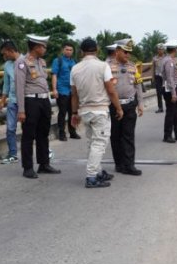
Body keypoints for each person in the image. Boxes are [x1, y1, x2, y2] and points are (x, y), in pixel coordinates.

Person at [69, 38, 122, 188]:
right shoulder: (103, 66)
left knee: (92, 142)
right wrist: (119, 108)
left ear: (81, 51)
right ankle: (91, 176)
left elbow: (74, 94)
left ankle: (98, 171)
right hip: (100, 110)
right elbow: (111, 90)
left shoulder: (75, 68)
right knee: (99, 143)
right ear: (97, 50)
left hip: (84, 110)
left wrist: (74, 113)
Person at [16, 35, 61, 179]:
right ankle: (28, 167)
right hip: (31, 101)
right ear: (36, 47)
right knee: (28, 135)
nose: (45, 49)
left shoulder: (41, 61)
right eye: (43, 46)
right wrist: (21, 110)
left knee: (43, 134)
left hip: (44, 100)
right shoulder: (22, 62)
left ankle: (44, 164)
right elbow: (19, 87)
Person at [105, 39, 144, 175]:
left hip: (130, 104)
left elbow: (138, 85)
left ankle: (129, 165)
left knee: (128, 135)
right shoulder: (107, 67)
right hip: (114, 105)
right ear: (117, 51)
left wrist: (140, 103)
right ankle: (119, 163)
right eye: (125, 52)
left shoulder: (133, 66)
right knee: (115, 135)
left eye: (129, 52)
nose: (128, 55)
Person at [51, 43, 80, 141]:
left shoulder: (74, 62)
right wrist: (54, 89)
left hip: (73, 91)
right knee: (62, 113)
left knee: (73, 112)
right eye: (67, 49)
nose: (69, 51)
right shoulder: (58, 61)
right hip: (62, 90)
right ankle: (61, 133)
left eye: (70, 50)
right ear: (63, 50)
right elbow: (54, 75)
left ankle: (72, 132)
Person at [0, 40, 20, 164]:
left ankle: (44, 151)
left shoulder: (26, 61)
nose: (4, 56)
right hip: (12, 101)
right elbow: (6, 84)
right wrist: (2, 101)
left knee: (31, 128)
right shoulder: (7, 65)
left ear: (10, 51)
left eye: (4, 53)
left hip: (26, 101)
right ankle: (12, 154)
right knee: (10, 128)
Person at [161, 43, 177, 143]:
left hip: (173, 88)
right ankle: (167, 135)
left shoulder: (170, 59)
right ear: (175, 49)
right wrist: (173, 93)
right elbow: (169, 78)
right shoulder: (168, 61)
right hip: (170, 89)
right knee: (171, 112)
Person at [152, 43, 165, 114]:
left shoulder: (166, 58)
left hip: (165, 77)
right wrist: (153, 78)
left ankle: (169, 105)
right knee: (158, 92)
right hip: (157, 77)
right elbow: (153, 68)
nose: (160, 50)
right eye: (159, 49)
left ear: (163, 50)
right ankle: (160, 107)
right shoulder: (155, 58)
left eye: (161, 49)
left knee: (166, 92)